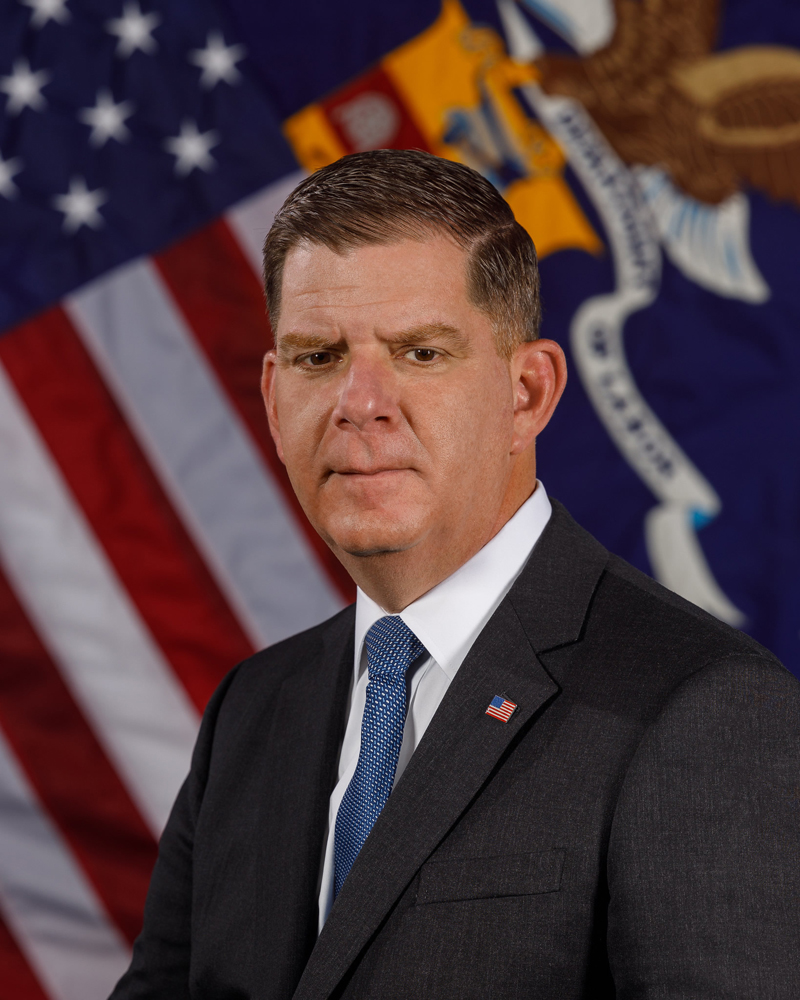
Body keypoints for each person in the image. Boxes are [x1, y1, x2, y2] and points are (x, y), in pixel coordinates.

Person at [110, 150, 800, 1000]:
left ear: (528, 392)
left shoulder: (701, 708)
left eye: (420, 353)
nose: (360, 401)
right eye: (318, 358)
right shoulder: (255, 706)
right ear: (272, 395)